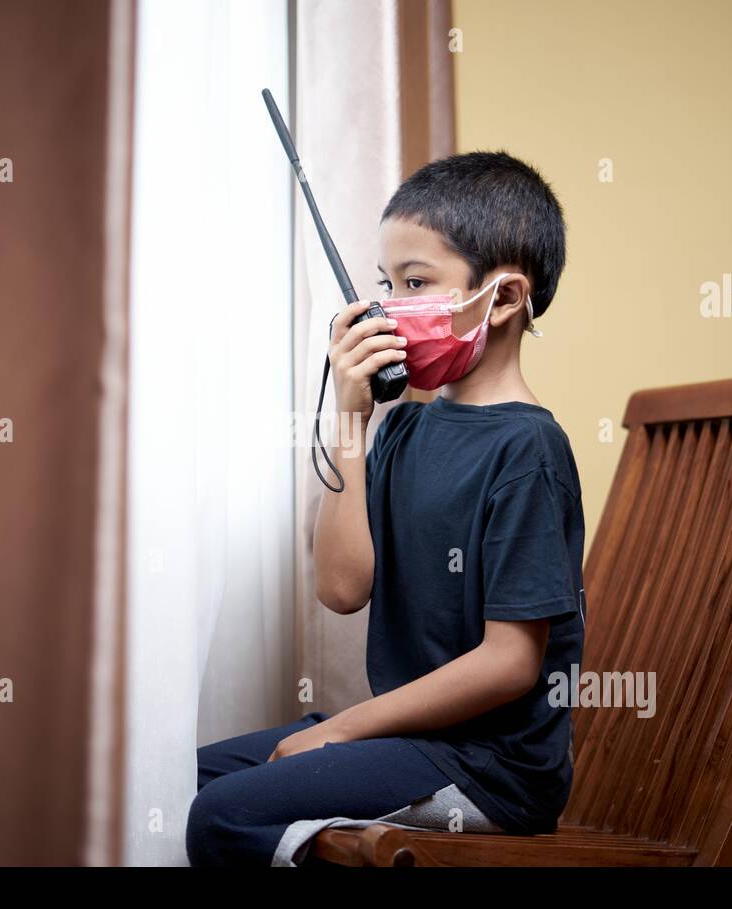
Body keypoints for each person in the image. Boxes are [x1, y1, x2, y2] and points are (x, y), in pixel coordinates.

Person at [187, 150, 585, 866]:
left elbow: (509, 665)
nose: (388, 306)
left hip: (488, 772)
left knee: (226, 813)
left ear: (502, 299)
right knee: (184, 779)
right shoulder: (403, 426)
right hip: (405, 740)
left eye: (415, 283)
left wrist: (340, 731)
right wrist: (351, 422)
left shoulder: (528, 449)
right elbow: (341, 590)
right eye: (385, 284)